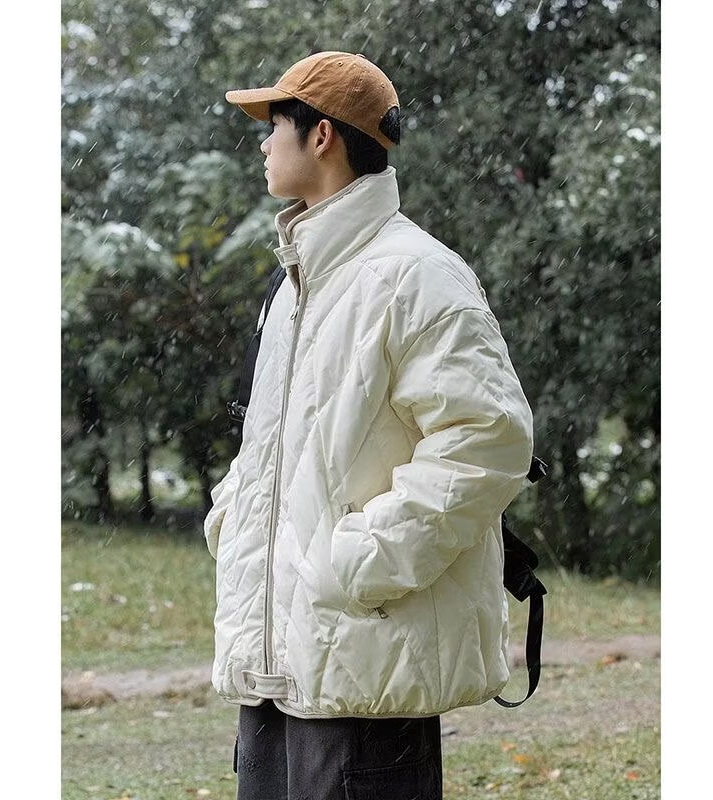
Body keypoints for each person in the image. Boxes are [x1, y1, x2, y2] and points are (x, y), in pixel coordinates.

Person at [204, 51, 534, 800]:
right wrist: (236, 515)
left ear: (322, 135)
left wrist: (359, 562)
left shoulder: (418, 275)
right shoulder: (299, 279)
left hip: (365, 657)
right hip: (279, 663)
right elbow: (281, 443)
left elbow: (488, 439)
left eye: (273, 126)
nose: (263, 146)